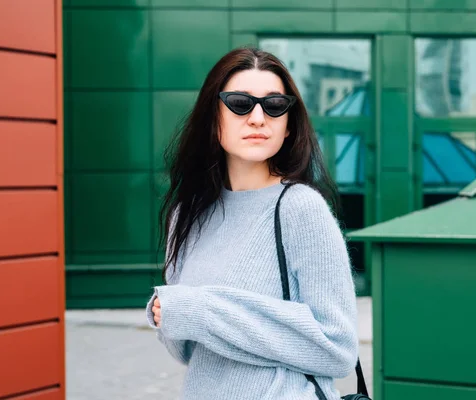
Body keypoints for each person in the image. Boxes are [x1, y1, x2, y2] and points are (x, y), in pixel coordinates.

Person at [146, 47, 359, 400]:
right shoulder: (187, 215)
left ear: (289, 125)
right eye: (240, 103)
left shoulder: (300, 208)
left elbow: (337, 348)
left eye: (274, 106)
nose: (258, 118)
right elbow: (186, 351)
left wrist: (200, 309)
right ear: (213, 120)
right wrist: (168, 314)